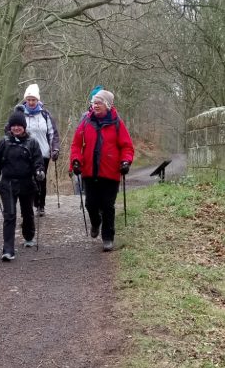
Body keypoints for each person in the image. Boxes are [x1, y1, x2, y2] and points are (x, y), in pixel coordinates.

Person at [70, 89, 134, 252]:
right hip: (89, 171)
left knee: (107, 205)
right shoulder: (85, 121)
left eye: (98, 103)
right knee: (90, 204)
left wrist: (125, 161)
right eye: (93, 103)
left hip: (110, 172)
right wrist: (75, 161)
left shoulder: (117, 123)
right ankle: (96, 222)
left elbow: (127, 146)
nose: (95, 106)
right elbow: (76, 145)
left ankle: (108, 238)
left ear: (107, 105)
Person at [0, 111, 45, 261]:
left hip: (27, 182)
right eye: (13, 125)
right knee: (10, 215)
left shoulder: (32, 143)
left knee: (27, 212)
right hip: (7, 183)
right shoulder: (3, 143)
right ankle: (8, 249)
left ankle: (28, 235)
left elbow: (38, 161)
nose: (16, 128)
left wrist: (39, 171)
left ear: (24, 127)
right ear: (10, 127)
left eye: (19, 125)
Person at [13, 83, 60, 216]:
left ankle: (40, 205)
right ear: (25, 100)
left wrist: (55, 149)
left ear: (38, 100)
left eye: (34, 99)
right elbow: (11, 130)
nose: (31, 102)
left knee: (41, 179)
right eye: (29, 100)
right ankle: (29, 204)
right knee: (27, 179)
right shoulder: (20, 114)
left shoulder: (45, 114)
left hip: (43, 153)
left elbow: (52, 133)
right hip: (24, 152)